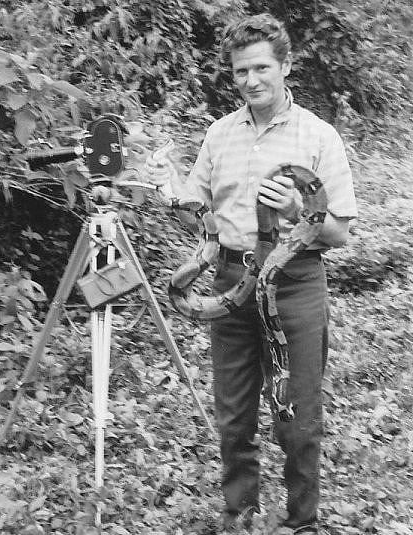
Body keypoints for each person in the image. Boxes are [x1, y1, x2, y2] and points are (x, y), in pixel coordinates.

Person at [144, 13, 357, 535]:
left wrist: (296, 211)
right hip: (231, 281)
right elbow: (201, 209)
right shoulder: (219, 134)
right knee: (233, 414)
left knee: (297, 415)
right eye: (241, 72)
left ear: (285, 66)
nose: (251, 80)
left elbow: (340, 233)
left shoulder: (318, 136)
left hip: (295, 281)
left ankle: (300, 521)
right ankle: (238, 512)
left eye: (262, 67)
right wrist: (172, 188)